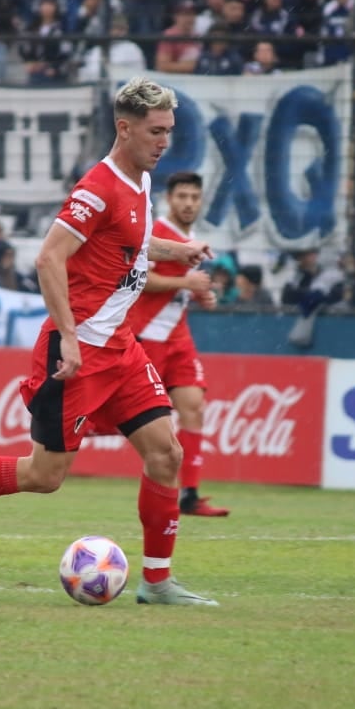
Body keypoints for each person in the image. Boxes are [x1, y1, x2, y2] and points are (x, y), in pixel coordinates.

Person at [0, 77, 220, 607]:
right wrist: (68, 336)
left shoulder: (140, 181)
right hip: (79, 351)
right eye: (155, 132)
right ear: (124, 128)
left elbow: (126, 242)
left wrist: (172, 251)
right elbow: (48, 258)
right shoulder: (98, 187)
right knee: (44, 475)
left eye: (169, 131)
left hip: (122, 349)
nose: (164, 142)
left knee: (166, 454)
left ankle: (157, 582)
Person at [127, 171, 230, 518]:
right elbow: (140, 280)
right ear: (170, 199)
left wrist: (199, 294)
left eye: (194, 197)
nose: (188, 203)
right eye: (182, 196)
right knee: (135, 417)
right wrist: (187, 281)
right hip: (147, 336)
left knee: (194, 407)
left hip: (178, 337)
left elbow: (178, 289)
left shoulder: (191, 237)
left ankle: (190, 494)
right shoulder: (157, 233)